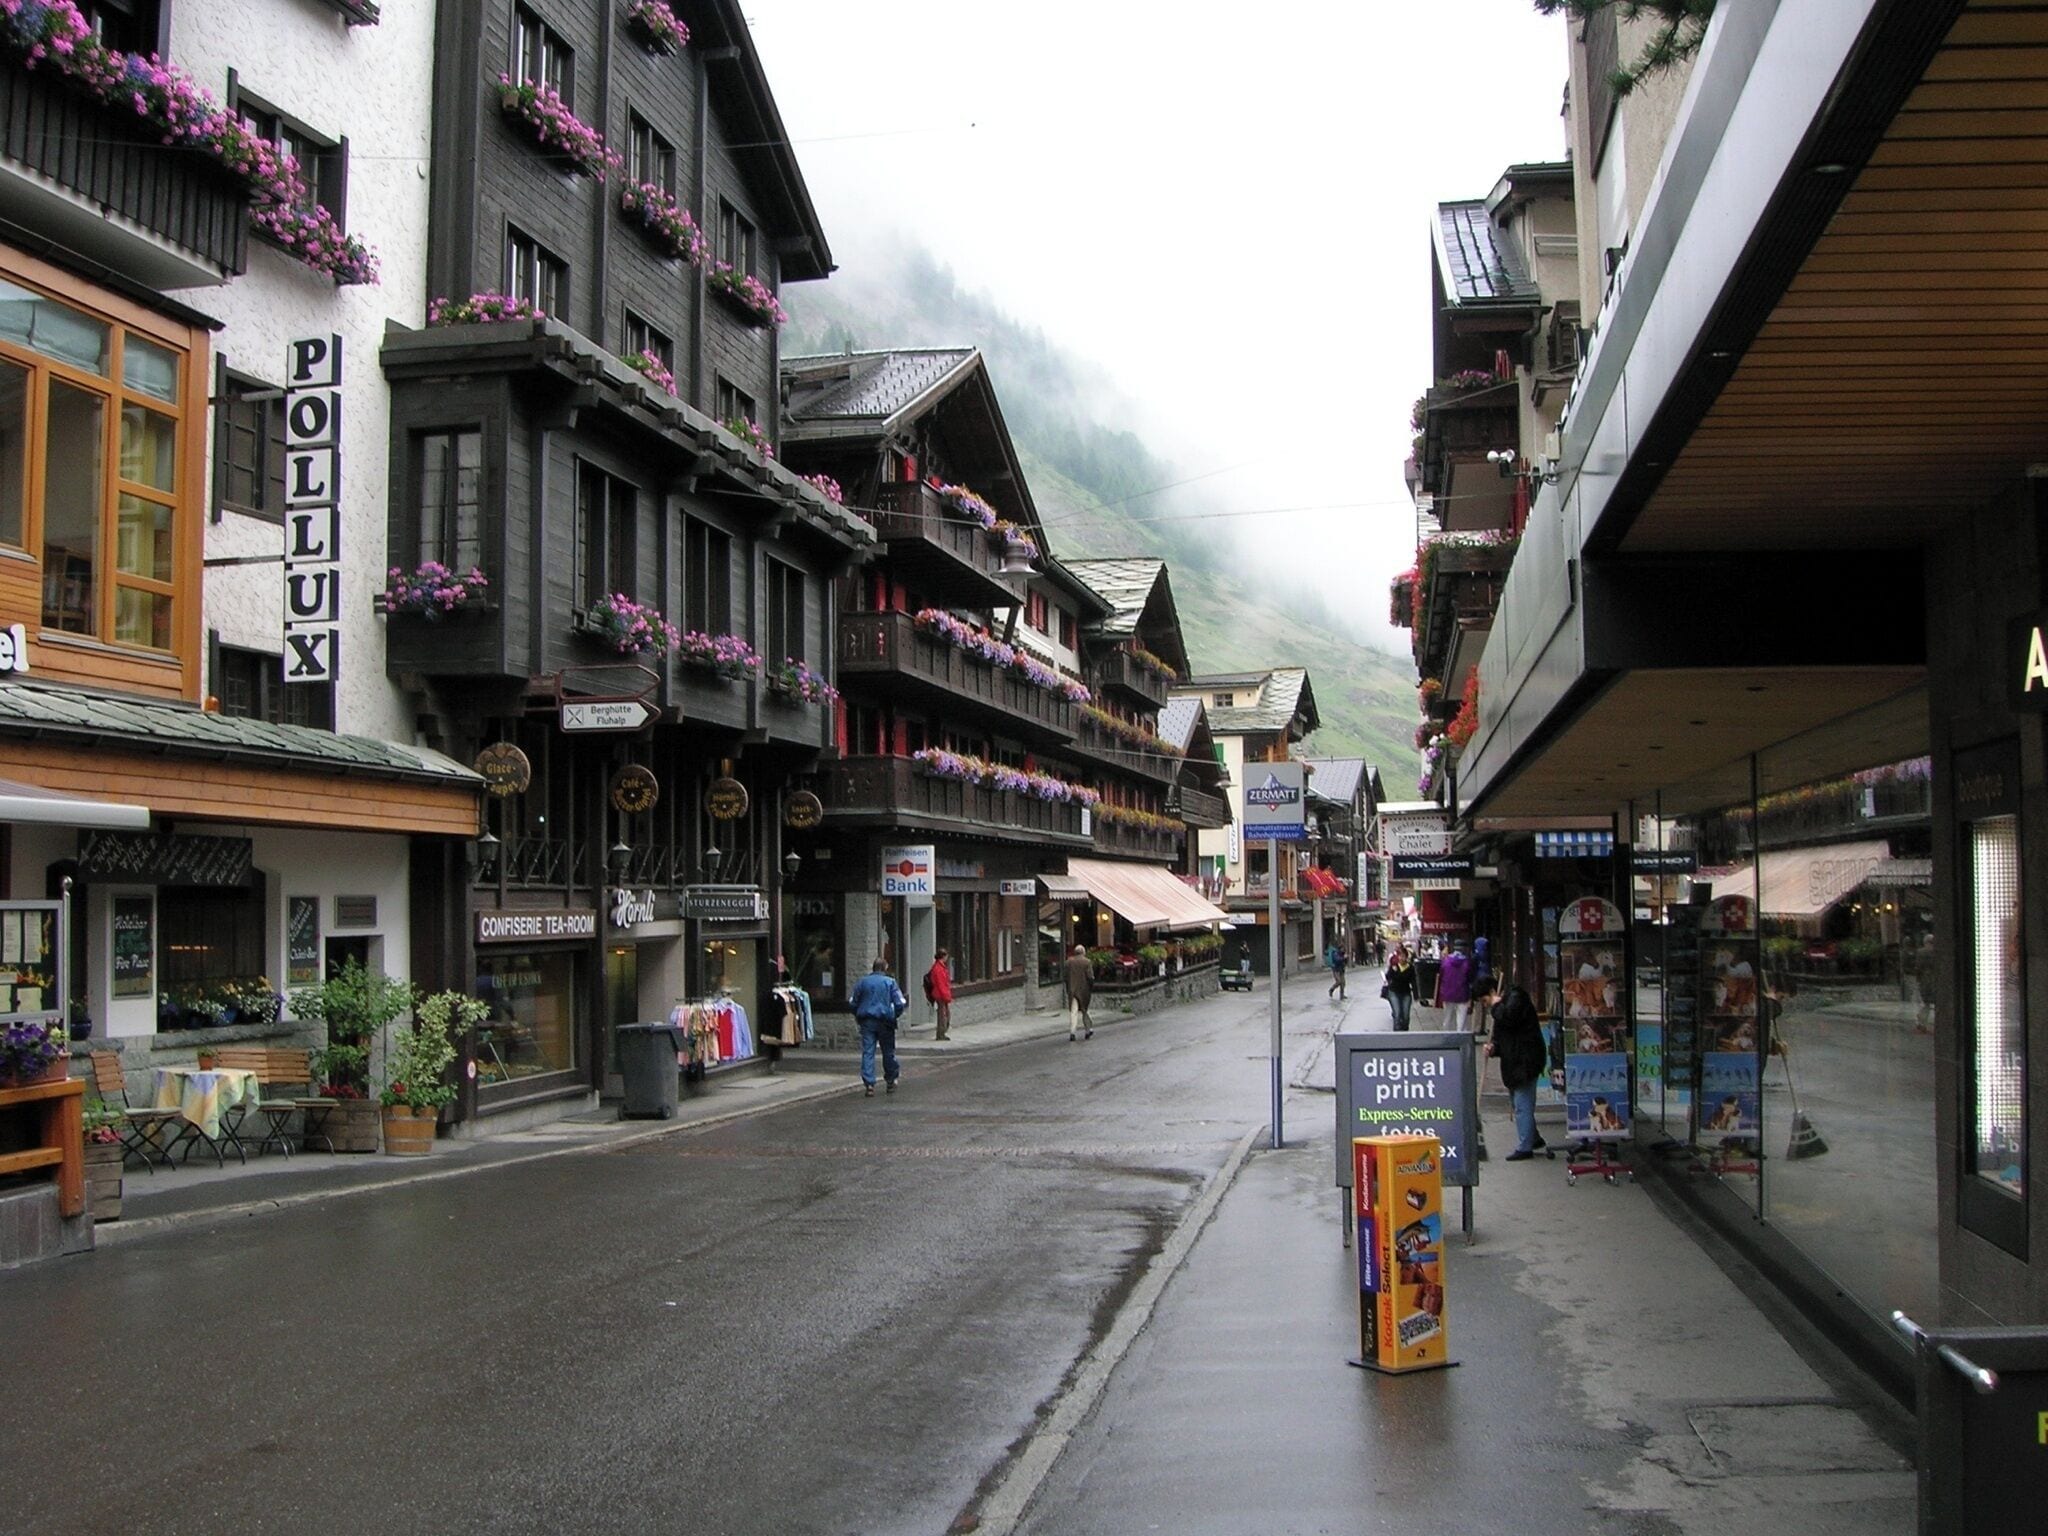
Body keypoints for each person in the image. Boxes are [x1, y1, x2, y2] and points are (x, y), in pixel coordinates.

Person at [1488, 978, 1549, 1160]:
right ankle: (1533, 1138)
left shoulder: (1515, 1001)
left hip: (1526, 1060)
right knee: (1518, 1102)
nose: (1487, 1006)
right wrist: (1493, 1048)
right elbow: (1503, 1036)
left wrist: (1495, 1006)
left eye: (1485, 1000)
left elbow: (1509, 1018)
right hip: (1517, 1061)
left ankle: (1525, 1147)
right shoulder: (1503, 1008)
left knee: (1522, 1104)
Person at [848, 956, 907, 1097]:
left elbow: (853, 1002)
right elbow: (899, 1003)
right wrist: (895, 1015)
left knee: (868, 1051)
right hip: (885, 1021)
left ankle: (869, 1083)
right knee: (888, 1052)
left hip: (867, 1020)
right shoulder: (890, 982)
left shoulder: (863, 982)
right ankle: (891, 1079)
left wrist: (857, 1015)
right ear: (885, 968)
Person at [1437, 940, 1473, 1031]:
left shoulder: (1446, 961)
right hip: (1462, 994)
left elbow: (1441, 976)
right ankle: (1460, 1040)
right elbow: (1470, 979)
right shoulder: (1466, 963)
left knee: (1447, 1019)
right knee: (1461, 1021)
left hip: (1447, 993)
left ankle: (1447, 1039)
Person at [1065, 943, 1095, 1041]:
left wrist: (1068, 987)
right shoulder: (1087, 962)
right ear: (1083, 952)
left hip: (1072, 990)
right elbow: (1090, 977)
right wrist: (1091, 987)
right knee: (1085, 1011)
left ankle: (1072, 1032)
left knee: (1073, 1012)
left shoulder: (1069, 962)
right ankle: (1088, 1030)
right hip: (1084, 991)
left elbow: (1065, 977)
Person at [1382, 944, 1415, 1031]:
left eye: (1403, 956)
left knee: (1406, 1016)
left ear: (1406, 957)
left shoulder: (1410, 968)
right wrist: (1393, 971)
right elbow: (1388, 977)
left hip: (1406, 993)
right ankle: (1397, 1035)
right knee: (1397, 1014)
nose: (1401, 958)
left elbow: (1413, 981)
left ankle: (1405, 1032)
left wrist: (1417, 995)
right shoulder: (1394, 967)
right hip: (1394, 992)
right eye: (1400, 956)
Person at [924, 948, 955, 1041]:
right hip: (940, 994)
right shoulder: (938, 969)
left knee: (944, 1014)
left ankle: (942, 1033)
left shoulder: (939, 967)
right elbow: (941, 984)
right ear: (943, 956)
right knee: (943, 1014)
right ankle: (941, 1033)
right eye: (946, 956)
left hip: (940, 993)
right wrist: (947, 996)